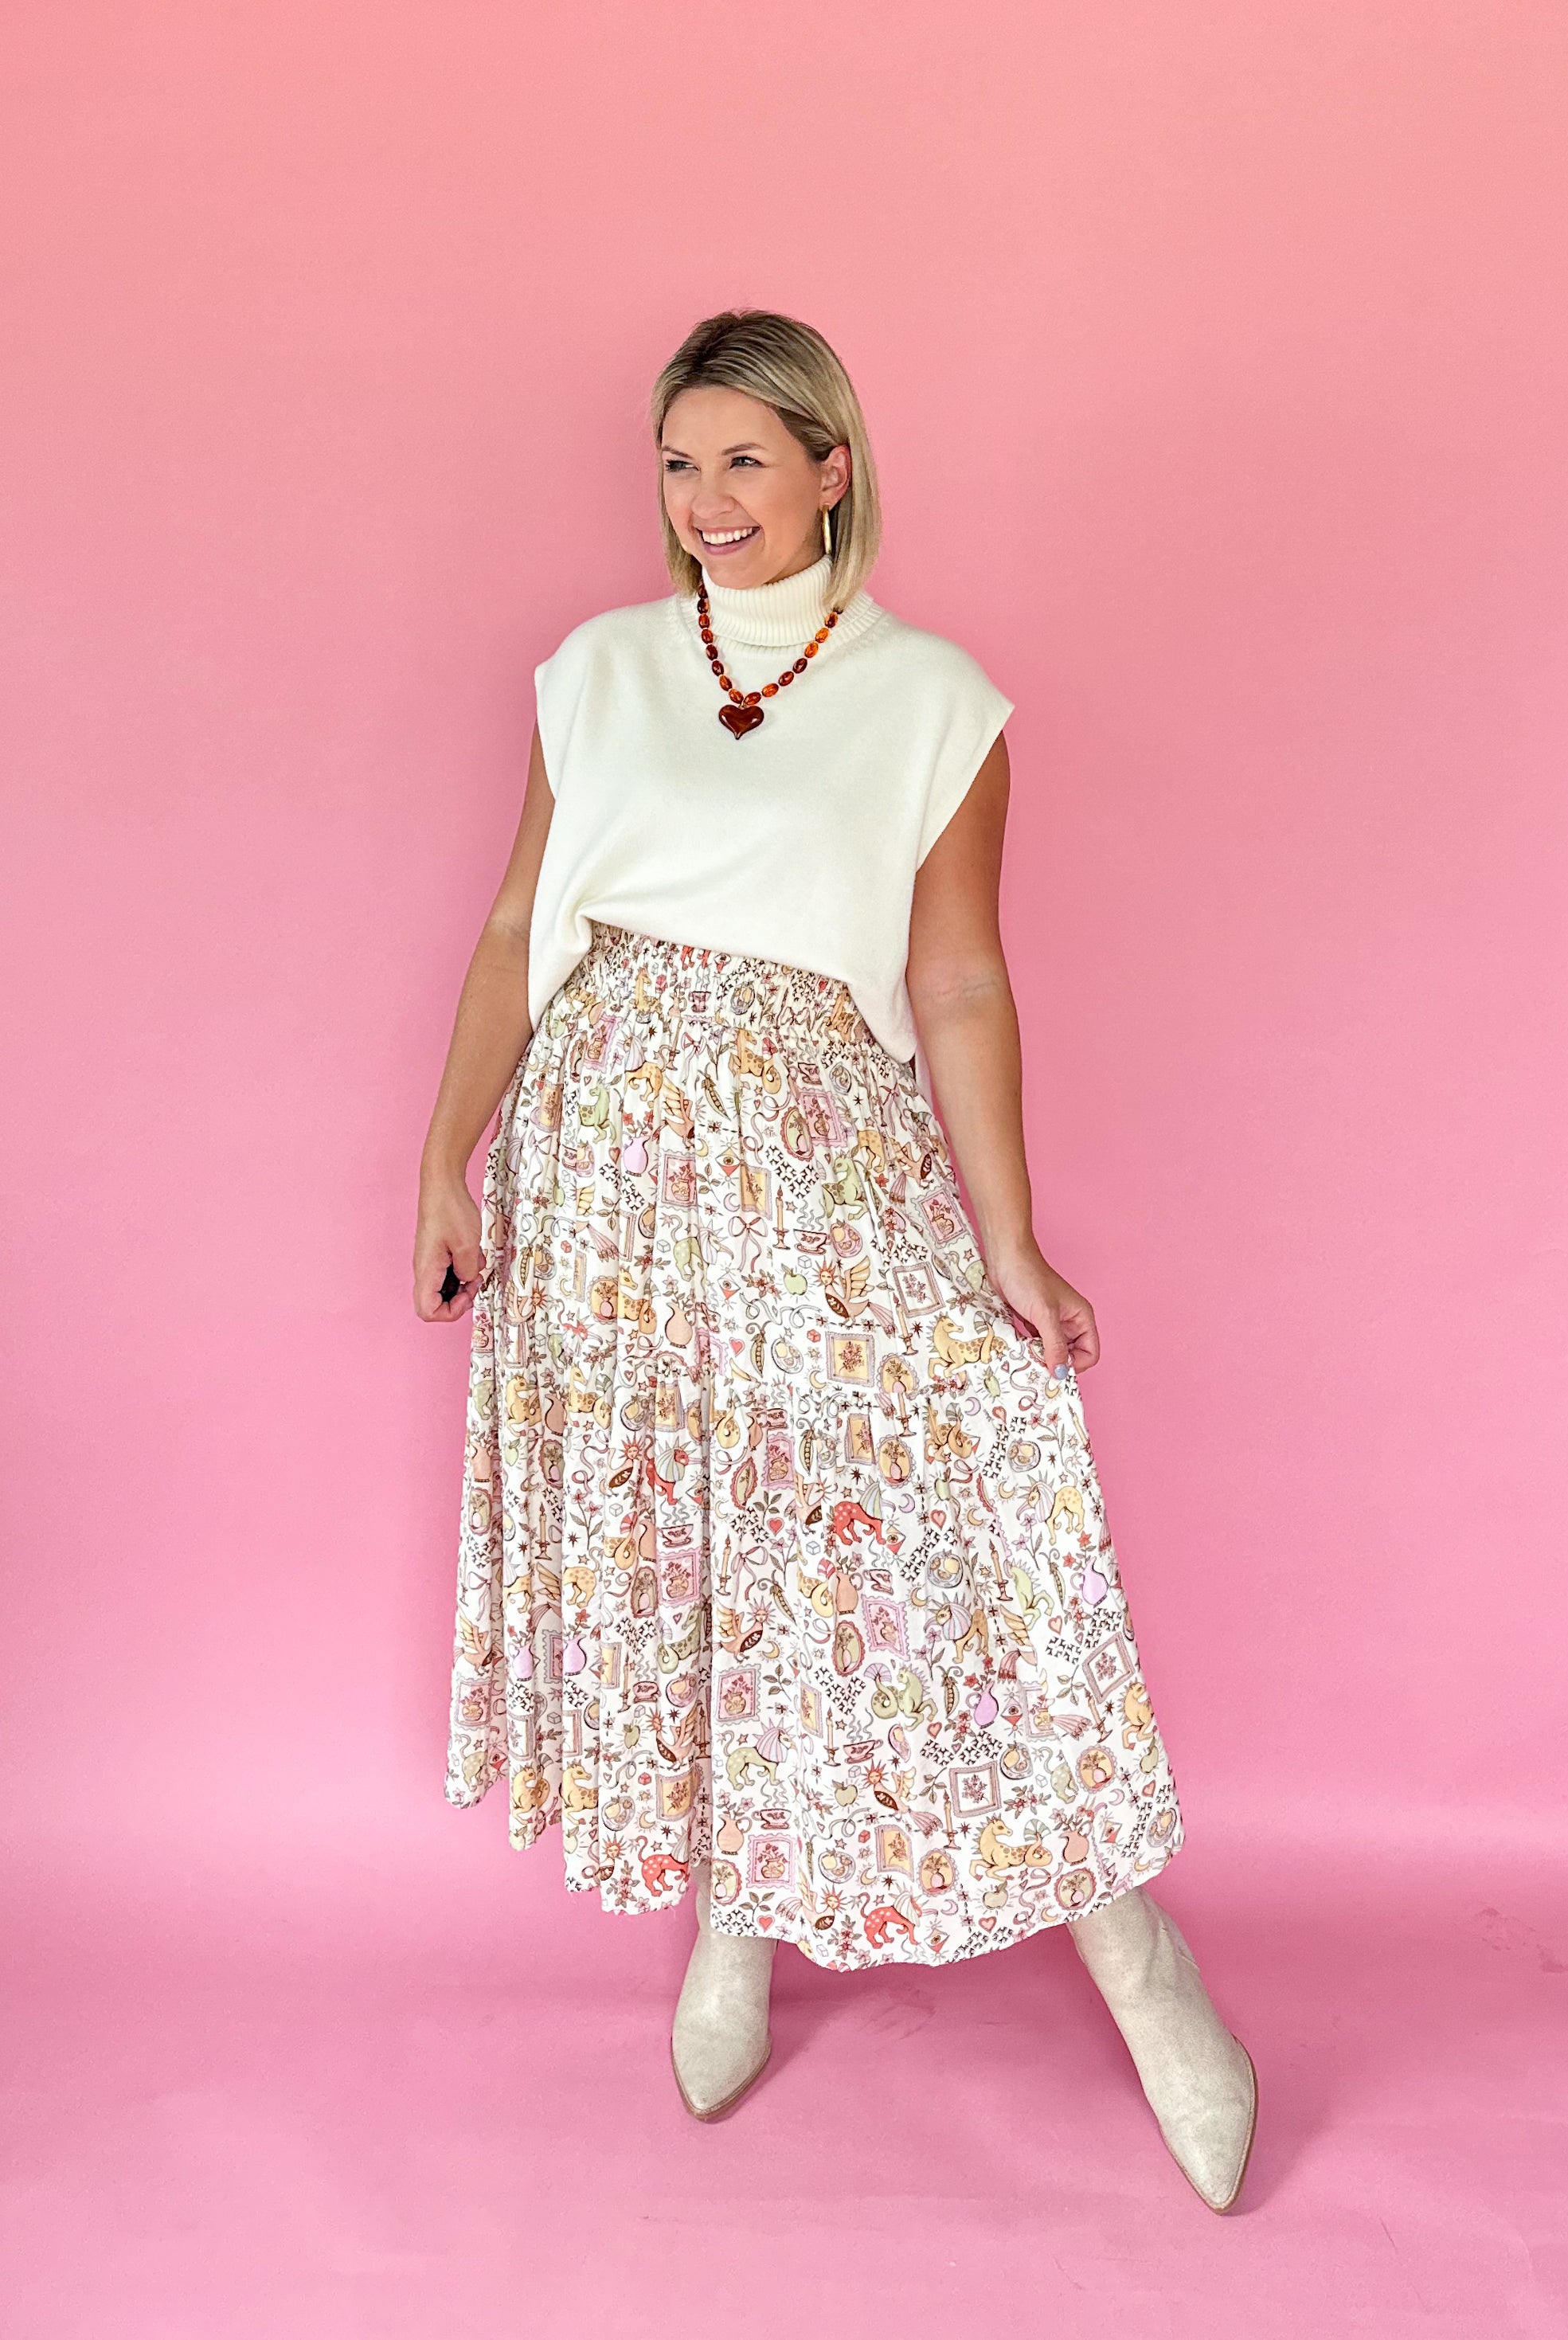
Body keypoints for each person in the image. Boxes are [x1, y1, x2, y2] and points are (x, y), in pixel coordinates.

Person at [414, 307, 1257, 2210]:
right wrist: (443, 1158)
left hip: (819, 1152)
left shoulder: (933, 700)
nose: (705, 499)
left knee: (940, 1518)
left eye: (742, 458)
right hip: (606, 1172)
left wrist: (1008, 1237)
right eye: (676, 463)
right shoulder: (596, 671)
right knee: (697, 1537)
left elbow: (954, 978)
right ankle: (736, 1915)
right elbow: (517, 923)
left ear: (829, 468)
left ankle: (1140, 1955)